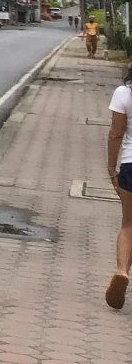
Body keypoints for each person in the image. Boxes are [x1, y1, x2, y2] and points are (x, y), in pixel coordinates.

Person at [106, 65, 132, 308]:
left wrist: (111, 168)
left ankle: (122, 271)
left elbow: (116, 134)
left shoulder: (124, 93)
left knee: (128, 224)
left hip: (130, 165)